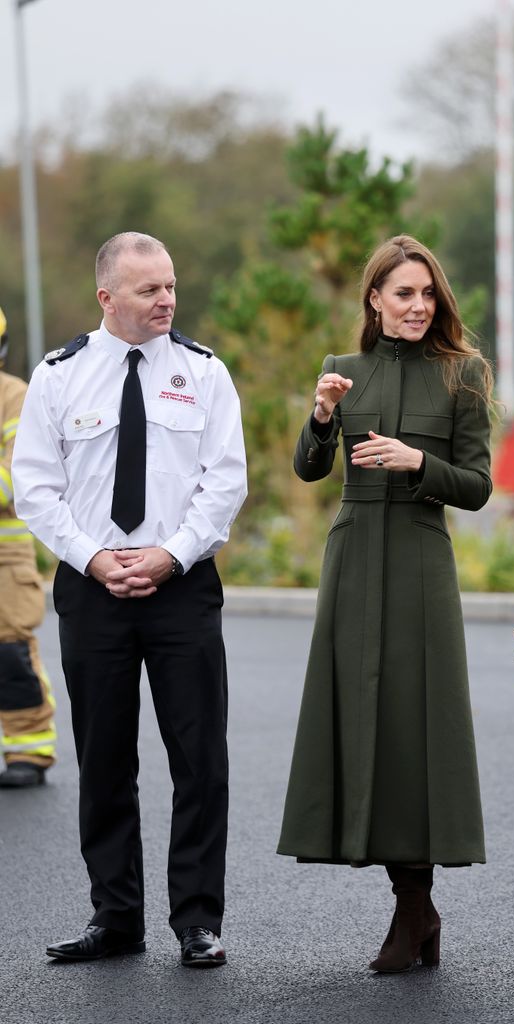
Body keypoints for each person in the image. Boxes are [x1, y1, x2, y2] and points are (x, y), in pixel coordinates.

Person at [12, 232, 247, 968]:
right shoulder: (59, 375)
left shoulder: (205, 373)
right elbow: (35, 489)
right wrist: (95, 559)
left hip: (182, 589)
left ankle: (197, 921)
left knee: (199, 758)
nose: (167, 300)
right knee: (105, 759)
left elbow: (225, 481)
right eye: (149, 290)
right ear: (106, 297)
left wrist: (169, 554)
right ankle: (115, 919)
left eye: (170, 286)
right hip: (94, 591)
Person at [277, 235, 493, 973]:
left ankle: (414, 907)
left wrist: (417, 463)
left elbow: (477, 486)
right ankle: (414, 909)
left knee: (413, 728)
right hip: (353, 559)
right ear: (373, 298)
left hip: (421, 562)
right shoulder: (343, 372)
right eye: (403, 293)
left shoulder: (463, 375)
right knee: (361, 724)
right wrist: (320, 416)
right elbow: (309, 470)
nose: (417, 306)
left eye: (427, 294)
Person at [0, 305, 57, 787]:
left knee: (10, 652)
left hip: (4, 559)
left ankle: (29, 748)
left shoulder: (14, 396)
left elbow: (18, 476)